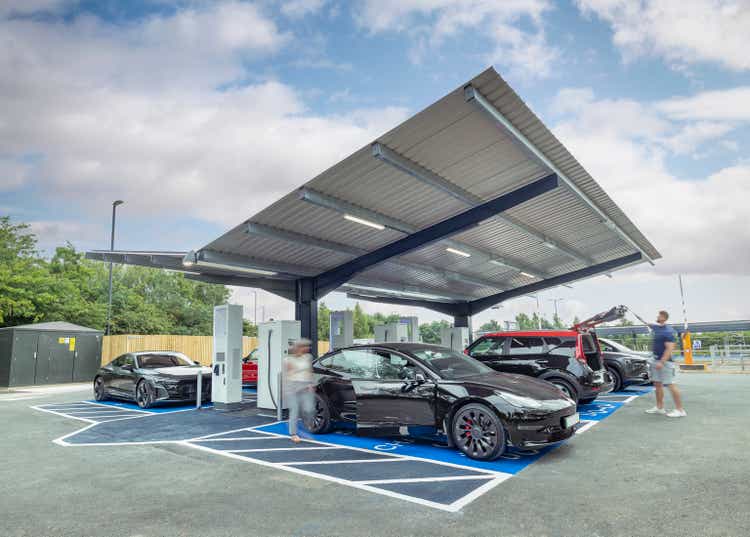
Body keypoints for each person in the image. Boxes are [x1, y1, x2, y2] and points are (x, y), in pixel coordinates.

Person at [645, 310, 686, 417]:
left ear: (663, 317)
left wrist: (662, 362)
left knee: (671, 385)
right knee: (657, 384)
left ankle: (680, 410)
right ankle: (659, 407)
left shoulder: (668, 331)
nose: (657, 316)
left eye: (659, 315)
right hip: (655, 360)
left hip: (665, 362)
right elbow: (648, 324)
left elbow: (669, 349)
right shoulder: (658, 328)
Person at [284, 338, 314, 443]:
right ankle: (293, 433)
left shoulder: (308, 357)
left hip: (305, 385)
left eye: (308, 346)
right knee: (294, 410)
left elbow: (310, 371)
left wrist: (310, 383)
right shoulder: (288, 360)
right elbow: (288, 375)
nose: (307, 348)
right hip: (293, 386)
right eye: (305, 346)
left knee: (309, 409)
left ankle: (307, 423)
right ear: (298, 347)